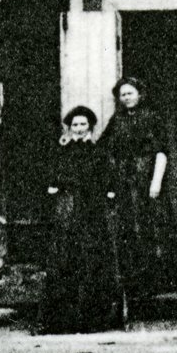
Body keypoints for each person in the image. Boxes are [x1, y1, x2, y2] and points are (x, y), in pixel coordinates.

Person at [97, 77, 177, 320]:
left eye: (130, 93)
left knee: (150, 228)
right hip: (125, 183)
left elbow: (161, 151)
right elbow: (104, 149)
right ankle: (135, 285)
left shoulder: (152, 117)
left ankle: (157, 283)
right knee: (129, 232)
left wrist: (155, 182)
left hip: (147, 181)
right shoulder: (118, 120)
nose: (126, 98)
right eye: (122, 95)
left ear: (140, 94)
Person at [49, 104, 122, 331]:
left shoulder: (97, 151)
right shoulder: (62, 150)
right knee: (66, 259)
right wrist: (56, 186)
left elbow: (107, 177)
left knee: (92, 259)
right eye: (75, 125)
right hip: (69, 211)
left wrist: (108, 191)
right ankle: (65, 320)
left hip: (92, 211)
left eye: (83, 124)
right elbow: (55, 176)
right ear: (70, 128)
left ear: (89, 126)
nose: (79, 128)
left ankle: (92, 319)